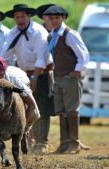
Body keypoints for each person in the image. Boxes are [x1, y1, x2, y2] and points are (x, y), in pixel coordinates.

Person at [0, 4, 53, 154]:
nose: (20, 19)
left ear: (28, 16)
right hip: (23, 74)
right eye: (17, 16)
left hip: (41, 73)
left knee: (41, 106)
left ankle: (43, 141)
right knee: (23, 106)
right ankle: (29, 138)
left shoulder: (38, 32)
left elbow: (41, 58)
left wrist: (35, 78)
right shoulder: (12, 33)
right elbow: (6, 55)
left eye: (22, 16)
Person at [43, 5, 90, 154]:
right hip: (58, 77)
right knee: (61, 110)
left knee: (71, 110)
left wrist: (76, 71)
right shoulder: (51, 36)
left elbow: (83, 55)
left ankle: (74, 143)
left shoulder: (70, 34)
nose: (54, 21)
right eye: (51, 18)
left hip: (70, 77)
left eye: (57, 18)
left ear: (63, 18)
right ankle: (64, 143)